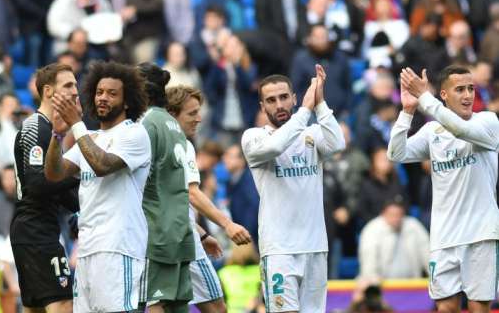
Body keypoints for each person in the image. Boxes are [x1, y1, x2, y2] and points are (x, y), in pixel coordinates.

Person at [389, 65, 499, 312]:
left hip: (480, 234)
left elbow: (460, 129)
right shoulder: (432, 132)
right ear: (444, 95)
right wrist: (407, 112)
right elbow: (396, 153)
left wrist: (425, 98)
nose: (468, 95)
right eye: (460, 89)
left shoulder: (488, 123)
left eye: (471, 88)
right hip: (444, 236)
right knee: (445, 308)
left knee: (478, 308)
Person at [44, 61, 151, 312]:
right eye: (100, 92)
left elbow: (102, 164)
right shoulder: (90, 137)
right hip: (87, 248)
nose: (103, 98)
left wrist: (76, 125)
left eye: (112, 94)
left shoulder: (134, 134)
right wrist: (57, 136)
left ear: (127, 102)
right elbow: (54, 173)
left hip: (118, 247)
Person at [241, 65, 345, 312]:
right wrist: (306, 111)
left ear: (294, 98)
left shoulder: (311, 134)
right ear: (262, 106)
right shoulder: (254, 138)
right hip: (279, 250)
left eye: (284, 97)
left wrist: (319, 103)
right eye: (271, 100)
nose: (279, 105)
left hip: (315, 246)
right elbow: (276, 147)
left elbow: (338, 143)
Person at [166, 85, 252, 312]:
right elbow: (192, 193)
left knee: (166, 306)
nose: (199, 119)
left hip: (160, 239)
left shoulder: (153, 145)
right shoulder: (181, 145)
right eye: (192, 113)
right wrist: (227, 224)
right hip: (183, 242)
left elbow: (170, 203)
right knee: (217, 306)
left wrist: (202, 234)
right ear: (173, 114)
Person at [11, 63, 80, 313]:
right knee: (63, 305)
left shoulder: (52, 131)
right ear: (49, 91)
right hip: (36, 229)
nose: (75, 91)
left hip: (36, 228)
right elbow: (38, 184)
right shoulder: (35, 127)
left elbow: (57, 188)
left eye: (75, 84)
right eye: (68, 85)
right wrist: (79, 174)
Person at [136, 62, 194, 312]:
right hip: (180, 229)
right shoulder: (173, 125)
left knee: (154, 302)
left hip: (156, 230)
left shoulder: (147, 124)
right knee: (177, 306)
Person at [358, 201, 430, 279]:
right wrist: (372, 281)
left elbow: (427, 254)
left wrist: (434, 278)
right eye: (392, 215)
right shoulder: (372, 229)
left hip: (412, 284)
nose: (396, 218)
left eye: (399, 215)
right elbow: (369, 261)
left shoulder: (414, 226)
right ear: (383, 214)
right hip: (382, 285)